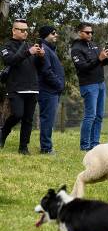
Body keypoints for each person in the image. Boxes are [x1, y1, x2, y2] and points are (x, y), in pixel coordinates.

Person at [0, 19, 44, 154]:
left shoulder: (30, 46)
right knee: (18, 114)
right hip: (15, 88)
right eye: (22, 30)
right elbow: (10, 60)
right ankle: (4, 131)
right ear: (14, 30)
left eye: (26, 30)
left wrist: (41, 57)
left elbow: (39, 67)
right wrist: (28, 52)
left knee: (28, 119)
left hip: (32, 87)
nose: (25, 32)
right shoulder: (5, 47)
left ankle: (23, 147)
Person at [71, 22, 108, 151]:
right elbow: (82, 67)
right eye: (87, 32)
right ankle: (85, 145)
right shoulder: (76, 48)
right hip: (89, 85)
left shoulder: (94, 45)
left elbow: (101, 63)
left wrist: (106, 58)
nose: (90, 34)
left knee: (99, 115)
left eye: (91, 32)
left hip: (100, 83)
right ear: (80, 32)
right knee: (90, 115)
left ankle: (95, 143)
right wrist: (99, 59)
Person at [37, 25, 65, 155]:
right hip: (48, 91)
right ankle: (46, 148)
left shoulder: (50, 49)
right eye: (53, 33)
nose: (56, 35)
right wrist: (59, 84)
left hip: (52, 90)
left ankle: (47, 146)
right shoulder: (44, 49)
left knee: (49, 119)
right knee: (47, 120)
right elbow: (46, 71)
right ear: (46, 35)